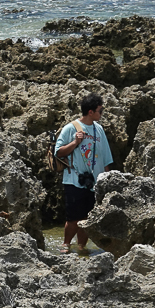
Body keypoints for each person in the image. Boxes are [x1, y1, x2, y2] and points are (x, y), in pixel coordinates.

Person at [54, 93, 114, 255]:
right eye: (100, 111)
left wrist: (107, 182)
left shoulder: (99, 129)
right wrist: (75, 142)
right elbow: (58, 153)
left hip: (94, 182)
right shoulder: (70, 128)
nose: (102, 113)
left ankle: (81, 248)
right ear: (90, 112)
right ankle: (66, 244)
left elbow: (106, 159)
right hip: (74, 180)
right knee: (73, 218)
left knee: (87, 220)